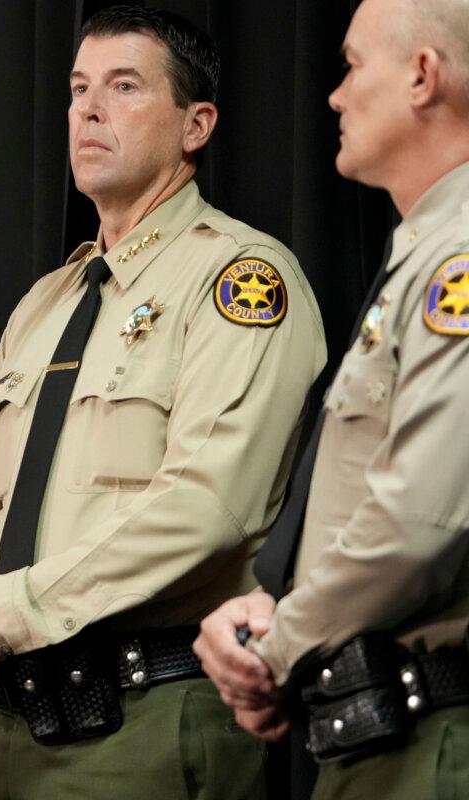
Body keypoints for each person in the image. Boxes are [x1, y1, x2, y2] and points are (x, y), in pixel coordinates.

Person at [0, 6, 325, 797]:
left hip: (151, 720)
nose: (87, 110)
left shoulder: (242, 279)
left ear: (196, 124)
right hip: (11, 729)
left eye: (123, 87)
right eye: (76, 89)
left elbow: (209, 508)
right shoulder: (47, 304)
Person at [194, 0, 469, 795]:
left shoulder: (456, 263)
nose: (335, 96)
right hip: (380, 738)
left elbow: (421, 518)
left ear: (422, 76)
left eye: (352, 65)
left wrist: (280, 640)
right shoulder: (422, 258)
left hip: (430, 746)